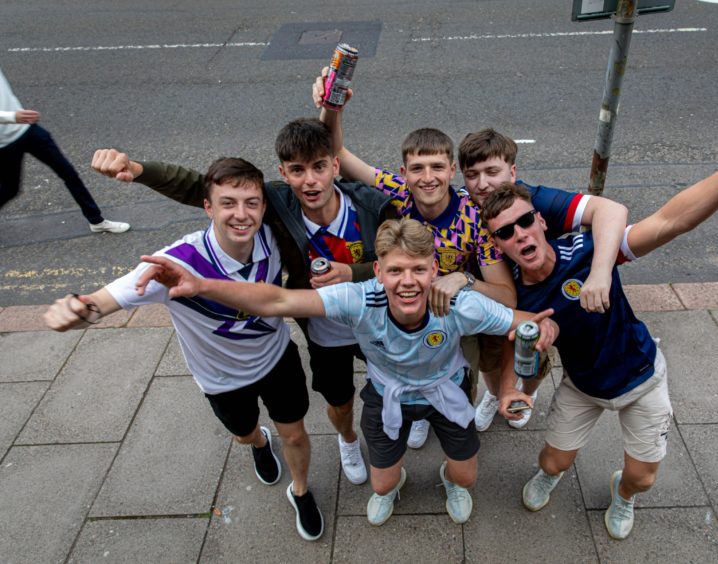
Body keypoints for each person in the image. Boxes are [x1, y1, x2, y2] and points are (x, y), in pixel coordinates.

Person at [480, 142, 718, 540]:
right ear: (498, 244)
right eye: (505, 232)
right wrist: (510, 385)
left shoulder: (589, 250)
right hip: (584, 385)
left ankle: (622, 495)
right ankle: (549, 476)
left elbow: (669, 222)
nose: (519, 234)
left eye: (525, 222)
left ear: (541, 222)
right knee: (552, 461)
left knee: (642, 479)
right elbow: (510, 341)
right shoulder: (517, 296)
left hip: (641, 375)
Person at [134, 217, 559, 527]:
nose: (407, 282)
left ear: (435, 271)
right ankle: (395, 481)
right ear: (378, 272)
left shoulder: (459, 303)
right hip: (386, 394)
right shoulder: (359, 298)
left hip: (444, 393)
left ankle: (449, 479)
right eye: (395, 270)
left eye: (418, 270)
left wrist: (533, 346)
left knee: (466, 476)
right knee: (379, 486)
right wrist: (202, 283)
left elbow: (522, 324)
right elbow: (279, 301)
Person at [90, 117, 399, 486]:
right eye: (297, 171)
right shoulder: (277, 204)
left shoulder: (371, 207)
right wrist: (138, 170)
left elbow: (398, 264)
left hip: (373, 319)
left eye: (319, 167)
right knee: (340, 400)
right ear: (283, 173)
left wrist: (353, 274)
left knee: (396, 379)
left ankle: (410, 418)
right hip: (325, 330)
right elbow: (198, 187)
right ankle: (348, 439)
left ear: (335, 165)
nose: (310, 181)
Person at [43, 157, 324, 541]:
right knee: (243, 435)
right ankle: (258, 441)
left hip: (277, 359)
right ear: (207, 207)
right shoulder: (174, 265)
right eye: (228, 203)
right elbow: (102, 302)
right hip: (222, 380)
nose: (241, 215)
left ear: (263, 206)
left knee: (295, 434)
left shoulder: (273, 236)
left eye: (251, 203)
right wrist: (78, 310)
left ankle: (301, 490)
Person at [314, 75, 520, 449]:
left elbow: (507, 296)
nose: (428, 178)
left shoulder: (474, 219)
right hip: (402, 308)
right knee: (404, 364)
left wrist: (463, 279)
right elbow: (338, 156)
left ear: (452, 170)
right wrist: (333, 107)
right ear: (404, 172)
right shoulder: (399, 192)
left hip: (452, 314)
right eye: (418, 168)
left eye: (437, 167)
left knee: (460, 374)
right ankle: (420, 411)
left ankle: (457, 411)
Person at [457, 128, 627, 431]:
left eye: (492, 171)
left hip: (537, 297)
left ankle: (529, 391)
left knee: (535, 353)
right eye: (472, 174)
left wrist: (601, 272)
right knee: (490, 359)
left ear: (512, 170)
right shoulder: (463, 206)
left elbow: (611, 211)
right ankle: (497, 395)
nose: (482, 184)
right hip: (491, 299)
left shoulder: (535, 200)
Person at [0, 68, 129, 233]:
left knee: (68, 173)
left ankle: (96, 221)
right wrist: (12, 117)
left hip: (29, 131)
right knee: (11, 189)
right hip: (5, 144)